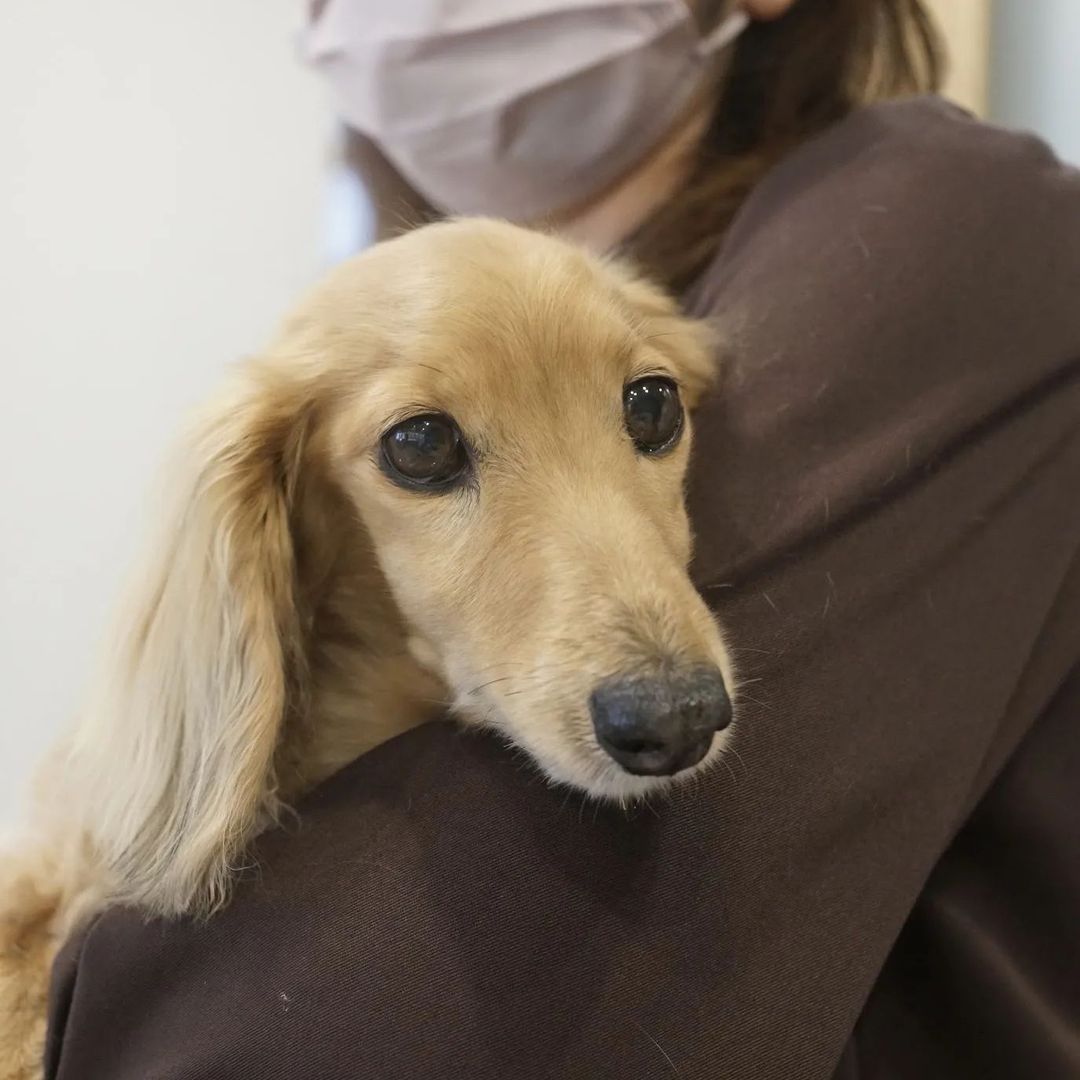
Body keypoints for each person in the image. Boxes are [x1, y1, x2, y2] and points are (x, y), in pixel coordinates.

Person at [45, 2, 1080, 1077]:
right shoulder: (360, 356)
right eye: (426, 447)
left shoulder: (937, 220)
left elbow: (369, 1022)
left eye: (646, 412)